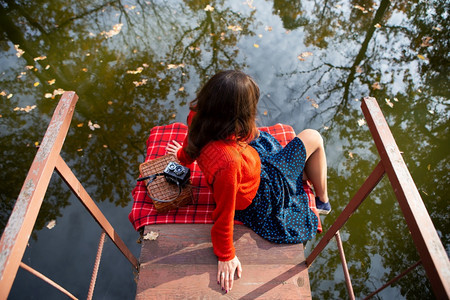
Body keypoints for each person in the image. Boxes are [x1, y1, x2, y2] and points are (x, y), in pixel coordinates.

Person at [166, 70, 330, 293]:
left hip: (247, 171)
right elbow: (224, 213)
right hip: (263, 192)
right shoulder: (228, 163)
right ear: (239, 115)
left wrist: (181, 158)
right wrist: (226, 255)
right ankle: (322, 200)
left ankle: (300, 176)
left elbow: (191, 144)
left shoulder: (197, 116)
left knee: (268, 145)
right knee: (313, 136)